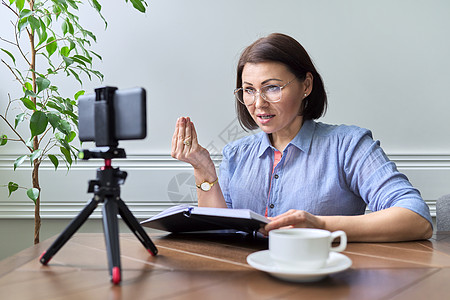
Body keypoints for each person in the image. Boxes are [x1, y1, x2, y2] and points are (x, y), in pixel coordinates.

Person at [171, 33, 432, 242]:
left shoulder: (349, 145)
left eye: (272, 87)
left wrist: (320, 225)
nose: (258, 103)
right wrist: (203, 170)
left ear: (306, 85)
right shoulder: (236, 154)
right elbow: (219, 233)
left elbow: (416, 218)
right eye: (249, 90)